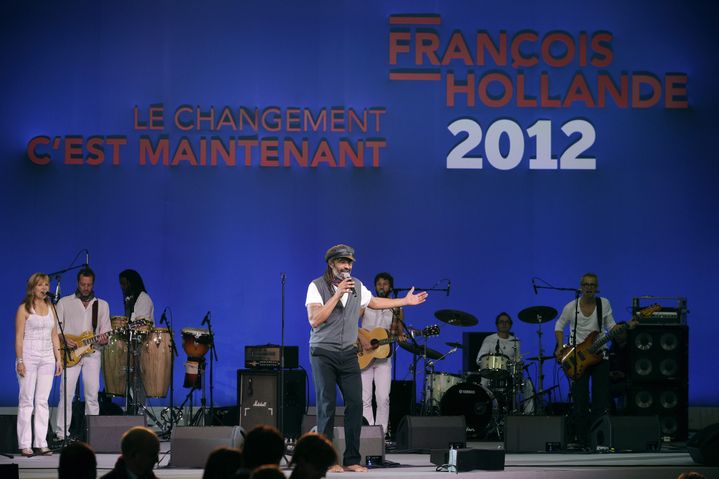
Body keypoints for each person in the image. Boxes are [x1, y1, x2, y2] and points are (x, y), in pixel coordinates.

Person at [305, 244, 428, 473]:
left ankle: (352, 458)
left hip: (348, 353)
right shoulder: (317, 286)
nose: (348, 266)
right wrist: (338, 293)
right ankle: (325, 459)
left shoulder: (358, 287)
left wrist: (405, 302)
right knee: (327, 405)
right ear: (331, 263)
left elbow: (375, 302)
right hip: (323, 352)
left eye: (350, 262)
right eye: (343, 262)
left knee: (355, 404)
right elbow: (315, 319)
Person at [554, 272, 619, 446]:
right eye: (586, 284)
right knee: (580, 399)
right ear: (581, 287)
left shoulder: (603, 303)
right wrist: (560, 346)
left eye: (592, 285)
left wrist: (620, 329)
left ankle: (597, 439)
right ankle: (582, 440)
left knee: (601, 400)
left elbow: (611, 325)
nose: (589, 287)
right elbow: (559, 325)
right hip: (578, 358)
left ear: (596, 288)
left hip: (599, 355)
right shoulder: (571, 307)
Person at [54, 267, 111, 441]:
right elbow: (55, 329)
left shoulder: (102, 304)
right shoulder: (64, 302)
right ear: (77, 283)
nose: (86, 287)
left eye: (89, 284)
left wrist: (103, 339)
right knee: (66, 393)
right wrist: (63, 340)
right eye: (83, 284)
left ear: (93, 284)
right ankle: (61, 433)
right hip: (70, 354)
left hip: (92, 353)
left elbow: (106, 332)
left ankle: (93, 435)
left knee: (92, 395)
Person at [15, 272, 63, 457]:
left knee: (42, 401)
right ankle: (25, 443)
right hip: (28, 356)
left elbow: (54, 336)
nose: (44, 288)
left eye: (46, 285)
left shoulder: (52, 307)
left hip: (47, 358)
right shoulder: (24, 309)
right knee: (26, 400)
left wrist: (58, 359)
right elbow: (19, 337)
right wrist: (20, 360)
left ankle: (41, 442)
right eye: (40, 285)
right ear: (32, 288)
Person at [360, 272, 406, 438]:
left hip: (383, 357)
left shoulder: (397, 307)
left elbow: (399, 334)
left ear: (391, 287)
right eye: (379, 283)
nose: (381, 286)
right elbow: (352, 323)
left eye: (385, 284)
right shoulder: (365, 304)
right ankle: (367, 433)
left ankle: (380, 434)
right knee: (364, 397)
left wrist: (402, 337)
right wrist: (363, 339)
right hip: (364, 354)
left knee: (383, 397)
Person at [476, 312, 534, 414]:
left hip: (509, 374)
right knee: (483, 383)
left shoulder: (515, 341)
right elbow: (479, 359)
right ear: (497, 325)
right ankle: (484, 412)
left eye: (507, 322)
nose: (504, 324)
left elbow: (517, 360)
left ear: (510, 325)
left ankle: (529, 413)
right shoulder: (489, 339)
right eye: (501, 322)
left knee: (527, 384)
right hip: (490, 374)